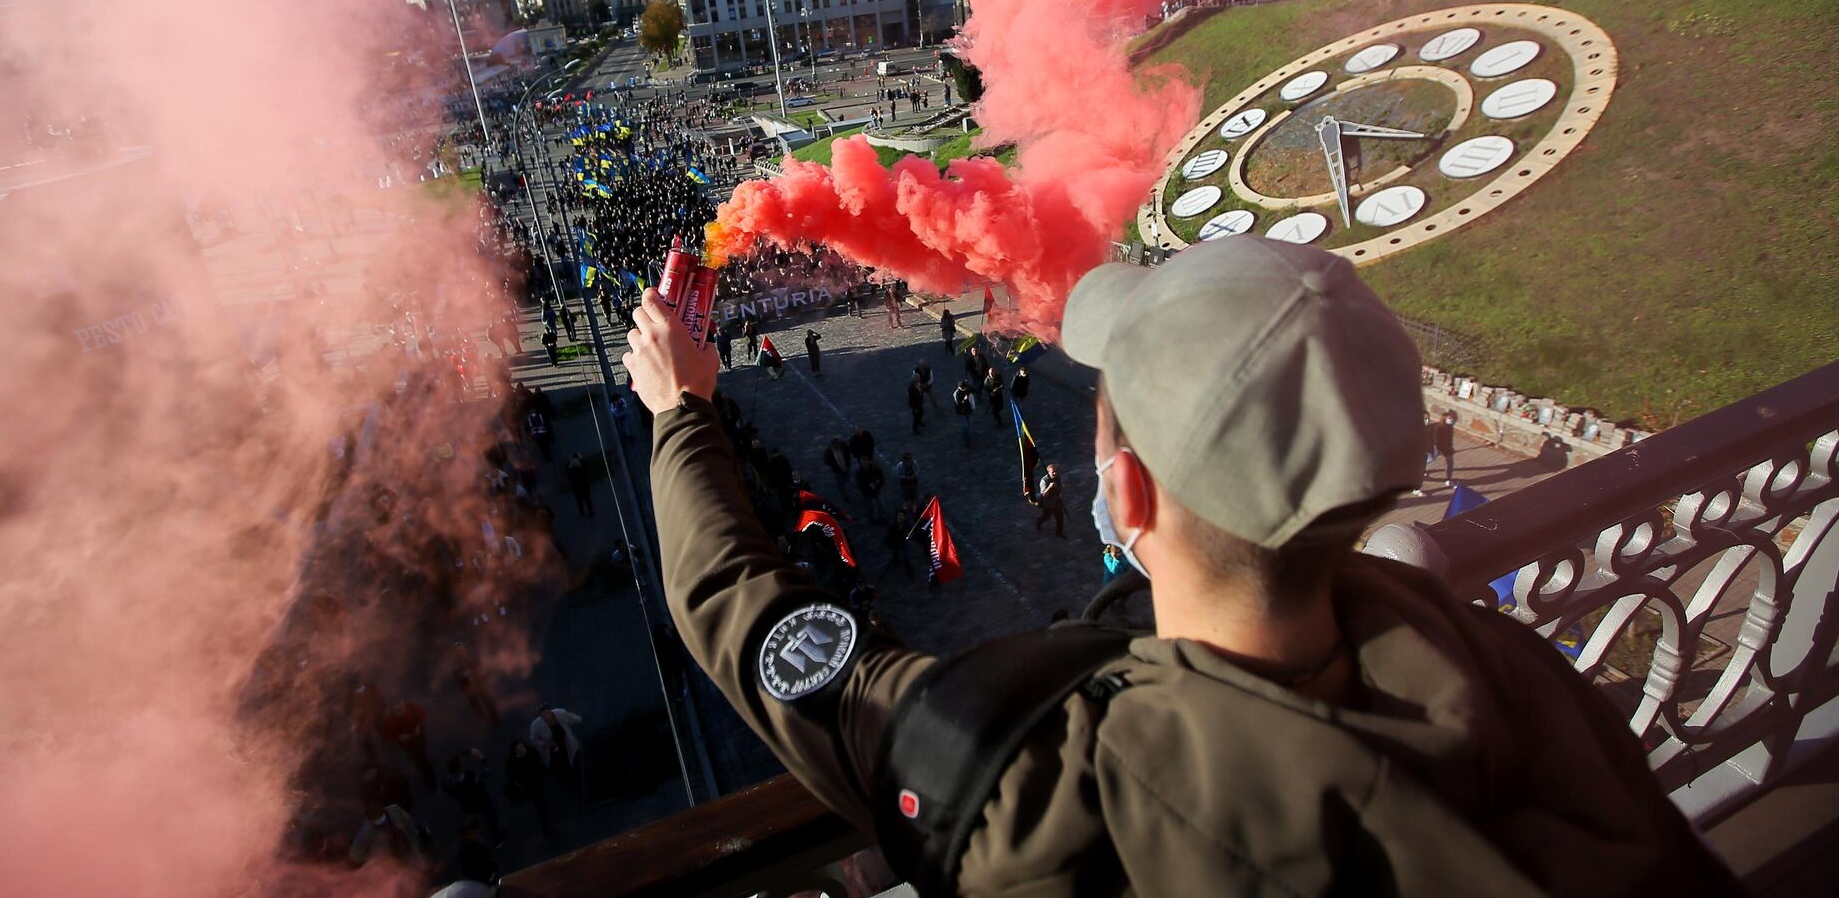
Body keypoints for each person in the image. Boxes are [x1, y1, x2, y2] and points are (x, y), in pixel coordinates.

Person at [620, 238, 1737, 895]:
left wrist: (681, 414)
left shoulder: (1052, 789)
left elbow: (751, 624)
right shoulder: (1521, 680)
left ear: (1129, 497)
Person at [445, 748, 505, 845]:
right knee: (491, 817)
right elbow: (487, 771)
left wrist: (466, 752)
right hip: (481, 800)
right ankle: (497, 838)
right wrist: (482, 758)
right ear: (460, 767)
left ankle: (480, 837)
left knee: (476, 819)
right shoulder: (471, 778)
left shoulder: (448, 780)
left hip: (467, 804)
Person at [379, 700, 435, 792]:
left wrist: (419, 726)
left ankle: (431, 781)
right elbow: (386, 734)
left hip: (418, 737)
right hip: (406, 743)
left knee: (423, 758)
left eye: (401, 708)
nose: (400, 711)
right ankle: (421, 767)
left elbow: (422, 713)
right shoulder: (390, 721)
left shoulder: (411, 708)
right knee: (415, 757)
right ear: (393, 711)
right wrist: (398, 737)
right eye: (397, 710)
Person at [503, 737, 553, 838]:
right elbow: (510, 774)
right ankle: (545, 827)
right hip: (529, 786)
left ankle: (546, 827)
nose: (522, 749)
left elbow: (539, 764)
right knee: (540, 804)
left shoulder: (531, 753)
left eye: (522, 746)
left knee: (541, 805)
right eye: (519, 748)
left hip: (536, 784)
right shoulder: (513, 761)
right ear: (515, 751)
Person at [1033, 462, 1067, 538]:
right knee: (1046, 517)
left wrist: (1060, 494)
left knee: (1060, 518)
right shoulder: (1044, 481)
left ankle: (1059, 533)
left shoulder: (1057, 477)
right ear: (1048, 472)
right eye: (1053, 472)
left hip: (1057, 502)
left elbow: (1060, 487)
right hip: (1048, 504)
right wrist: (1050, 487)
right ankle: (1039, 522)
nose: (1054, 473)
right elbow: (1044, 494)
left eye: (1055, 471)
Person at [1427, 409, 1458, 488]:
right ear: (1444, 419)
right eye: (1449, 418)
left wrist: (1451, 447)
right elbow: (1435, 439)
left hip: (1447, 448)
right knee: (1430, 460)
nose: (1451, 420)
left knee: (1450, 463)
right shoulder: (1438, 427)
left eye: (1452, 418)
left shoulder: (1450, 427)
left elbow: (1450, 438)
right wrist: (1437, 449)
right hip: (1437, 447)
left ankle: (1448, 479)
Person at [855, 456, 886, 523]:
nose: (864, 463)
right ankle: (872, 519)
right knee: (869, 507)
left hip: (876, 490)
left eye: (866, 461)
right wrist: (868, 486)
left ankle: (881, 518)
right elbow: (860, 485)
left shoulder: (875, 468)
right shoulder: (859, 473)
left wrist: (878, 483)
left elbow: (882, 477)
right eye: (862, 462)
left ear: (869, 461)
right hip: (867, 493)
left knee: (880, 505)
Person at [565, 452, 597, 517]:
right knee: (587, 499)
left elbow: (566, 468)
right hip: (585, 487)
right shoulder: (583, 469)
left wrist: (570, 461)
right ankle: (591, 512)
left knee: (579, 500)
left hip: (576, 489)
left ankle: (581, 510)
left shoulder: (570, 472)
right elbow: (587, 465)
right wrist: (581, 458)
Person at [951, 381, 975, 447]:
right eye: (964, 388)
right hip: (962, 412)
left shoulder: (966, 389)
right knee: (966, 426)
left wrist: (969, 385)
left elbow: (974, 391)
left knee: (968, 424)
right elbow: (958, 405)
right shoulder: (956, 394)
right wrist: (964, 400)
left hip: (968, 410)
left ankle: (966, 435)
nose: (965, 389)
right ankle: (967, 441)